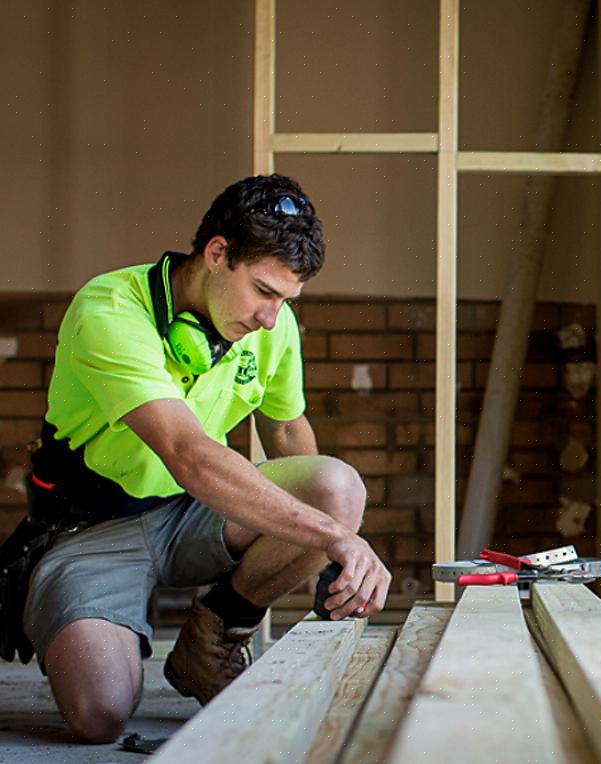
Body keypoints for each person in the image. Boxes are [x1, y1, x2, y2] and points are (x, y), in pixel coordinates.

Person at [20, 174, 391, 743]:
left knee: (337, 489)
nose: (272, 317)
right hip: (93, 529)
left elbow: (289, 431)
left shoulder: (272, 324)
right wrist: (330, 536)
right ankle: (62, 598)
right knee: (100, 714)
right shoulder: (113, 308)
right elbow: (187, 453)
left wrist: (327, 543)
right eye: (265, 291)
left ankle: (213, 634)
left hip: (190, 511)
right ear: (217, 253)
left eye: (287, 300)